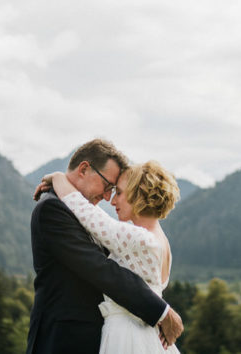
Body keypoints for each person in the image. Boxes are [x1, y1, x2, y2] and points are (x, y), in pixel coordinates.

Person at [26, 139, 183, 353]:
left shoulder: (129, 233)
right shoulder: (52, 209)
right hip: (62, 340)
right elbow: (100, 268)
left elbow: (97, 222)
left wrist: (59, 179)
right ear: (84, 169)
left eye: (115, 191)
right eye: (108, 186)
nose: (108, 197)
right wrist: (160, 311)